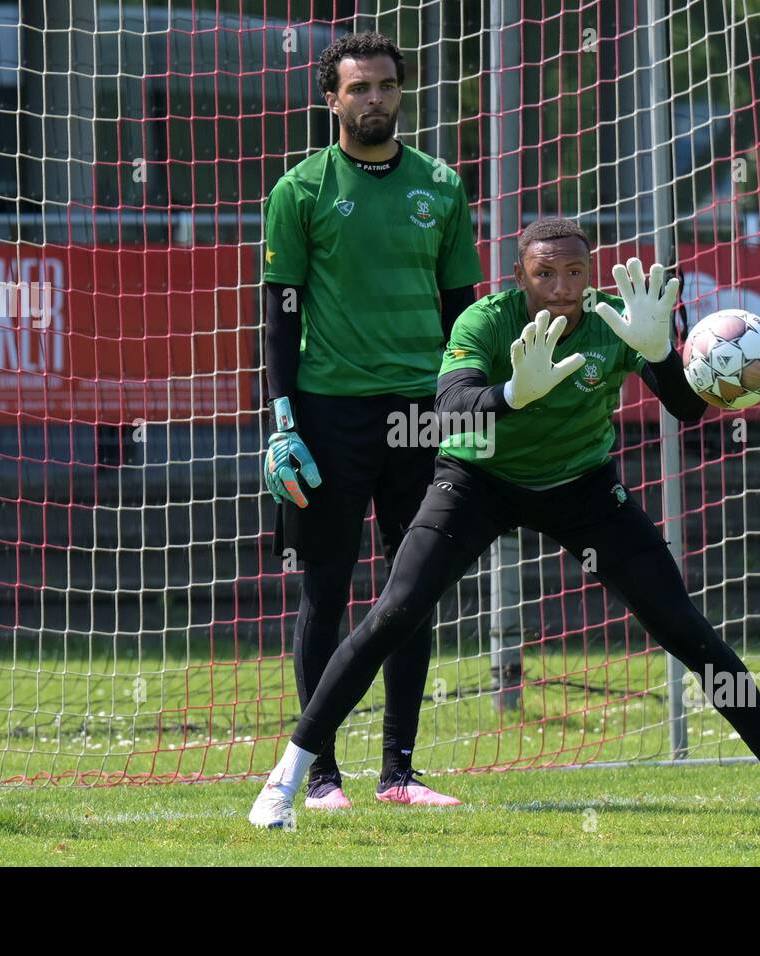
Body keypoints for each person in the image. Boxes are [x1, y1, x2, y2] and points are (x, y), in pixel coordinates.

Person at [251, 218, 760, 831]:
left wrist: (661, 353)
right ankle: (285, 783)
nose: (561, 287)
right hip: (477, 482)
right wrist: (512, 393)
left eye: (574, 272)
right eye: (544, 273)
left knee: (684, 627)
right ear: (518, 276)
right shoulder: (485, 320)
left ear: (591, 273)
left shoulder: (618, 319)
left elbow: (688, 408)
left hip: (581, 487)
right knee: (395, 611)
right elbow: (451, 410)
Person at [260, 32, 483, 809]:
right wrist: (282, 416)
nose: (375, 99)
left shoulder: (443, 187)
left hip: (423, 415)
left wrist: (466, 406)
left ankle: (399, 773)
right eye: (359, 88)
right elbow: (280, 313)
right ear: (332, 99)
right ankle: (319, 776)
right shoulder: (299, 190)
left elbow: (465, 316)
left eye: (387, 86)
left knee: (410, 591)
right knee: (326, 589)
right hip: (328, 415)